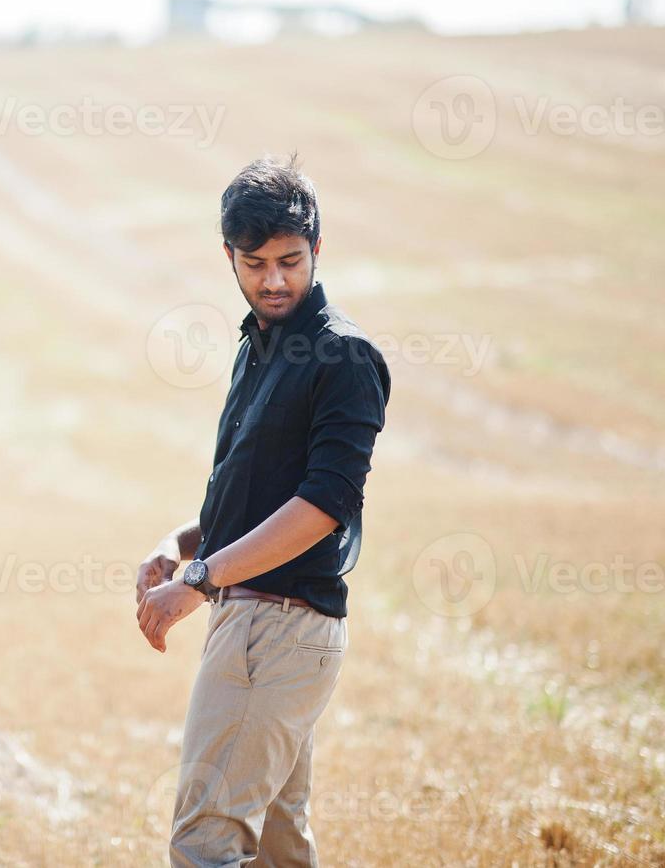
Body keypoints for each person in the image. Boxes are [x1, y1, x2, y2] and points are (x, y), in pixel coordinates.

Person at [135, 153, 391, 867]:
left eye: (289, 260)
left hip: (277, 627)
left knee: (204, 842)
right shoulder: (258, 347)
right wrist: (179, 544)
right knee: (278, 848)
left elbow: (322, 505)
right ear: (228, 257)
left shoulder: (343, 356)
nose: (273, 280)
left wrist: (199, 579)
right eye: (254, 264)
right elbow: (252, 490)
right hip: (258, 622)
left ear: (317, 249)